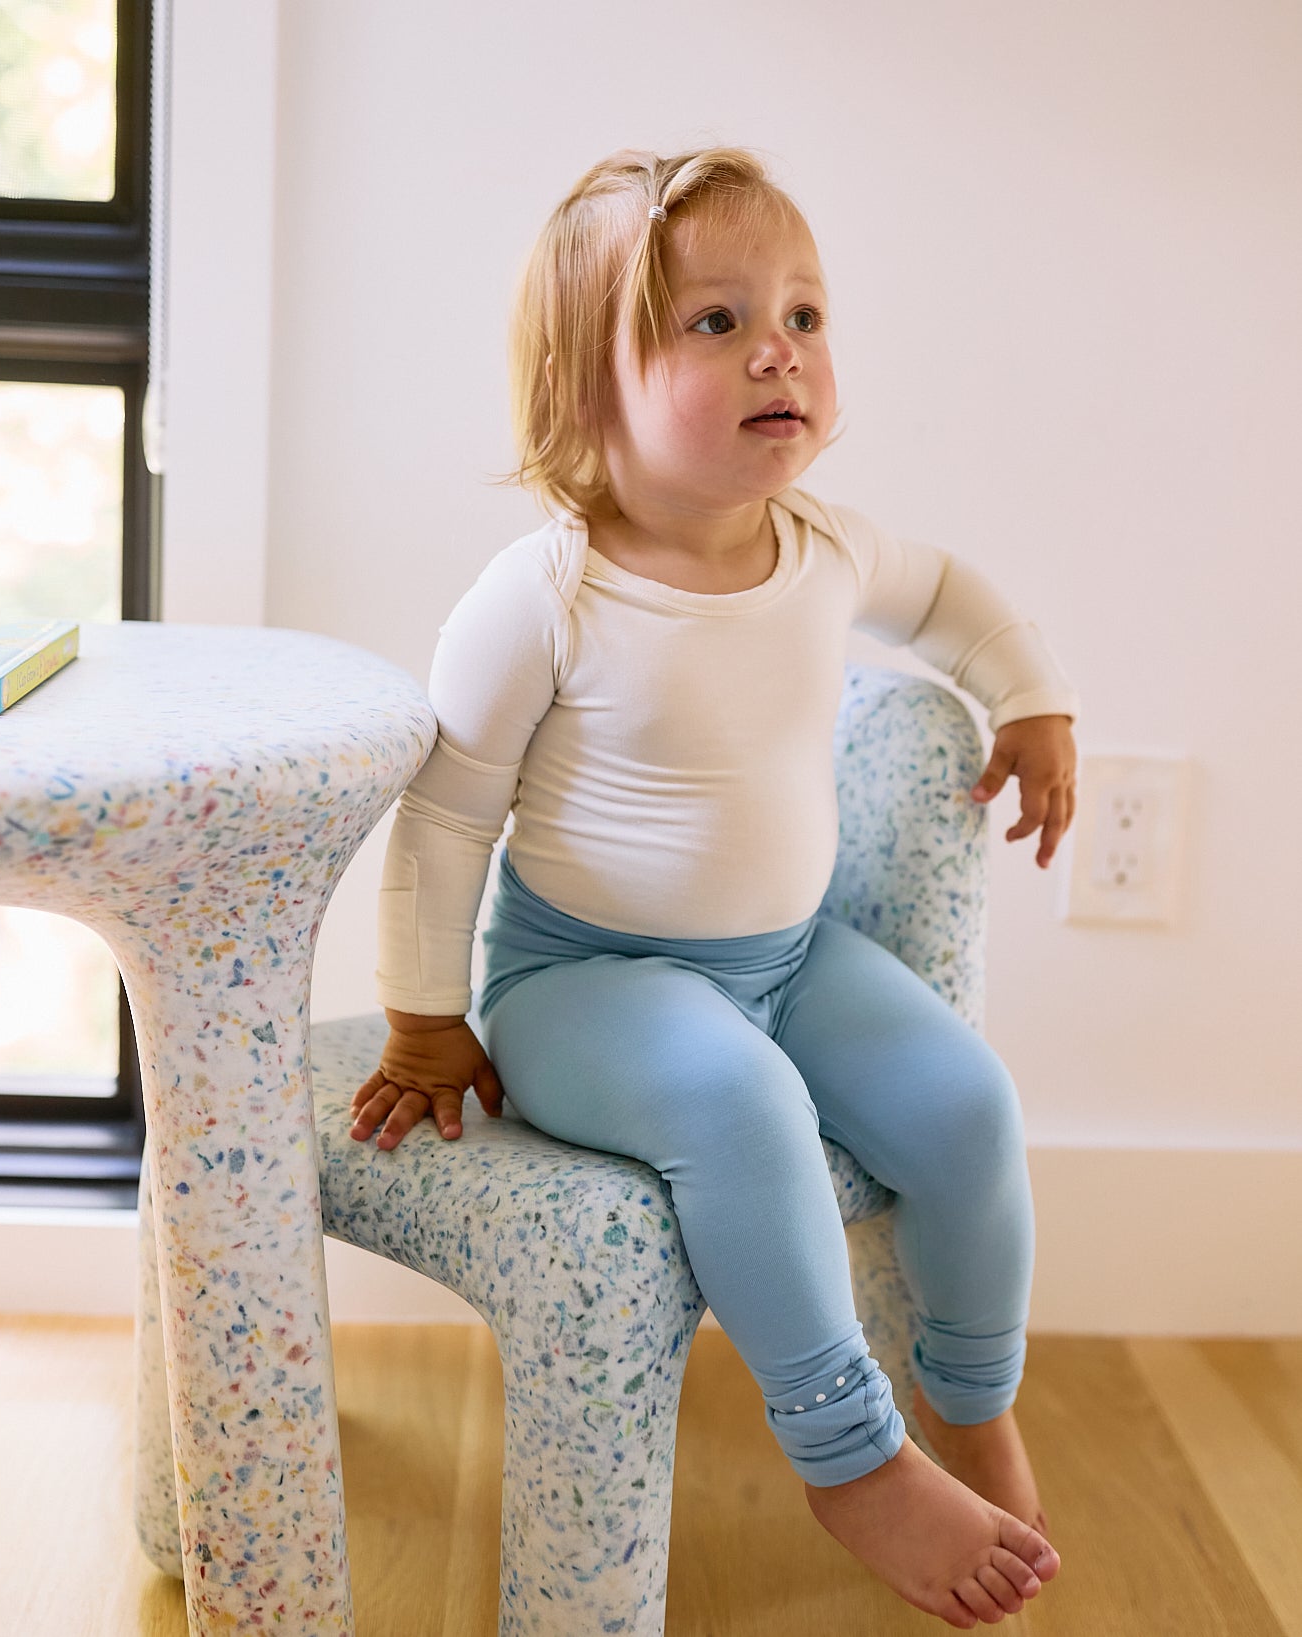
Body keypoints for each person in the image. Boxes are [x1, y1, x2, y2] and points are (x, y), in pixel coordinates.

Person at [350, 146, 1076, 1629]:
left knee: (965, 1101)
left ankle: (969, 1397)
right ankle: (845, 1450)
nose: (778, 349)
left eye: (804, 315)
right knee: (741, 1101)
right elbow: (439, 824)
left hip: (787, 956)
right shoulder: (540, 597)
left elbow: (946, 598)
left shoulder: (820, 547)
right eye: (713, 321)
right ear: (582, 388)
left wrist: (1027, 697)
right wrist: (425, 1018)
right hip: (581, 985)